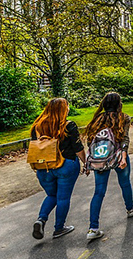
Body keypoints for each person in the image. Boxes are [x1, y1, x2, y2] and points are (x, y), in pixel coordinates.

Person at [84, 92, 133, 241]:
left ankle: (93, 227)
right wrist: (124, 155)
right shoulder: (123, 118)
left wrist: (90, 161)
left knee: (99, 192)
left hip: (101, 158)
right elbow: (125, 138)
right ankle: (130, 208)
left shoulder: (97, 119)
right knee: (125, 183)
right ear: (119, 103)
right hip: (119, 155)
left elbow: (91, 141)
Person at [30, 98, 86, 240]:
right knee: (63, 197)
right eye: (66, 106)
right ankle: (59, 228)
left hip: (44, 167)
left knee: (51, 195)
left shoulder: (37, 127)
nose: (68, 108)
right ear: (63, 109)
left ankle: (41, 219)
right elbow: (78, 148)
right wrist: (86, 162)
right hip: (65, 165)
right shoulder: (68, 125)